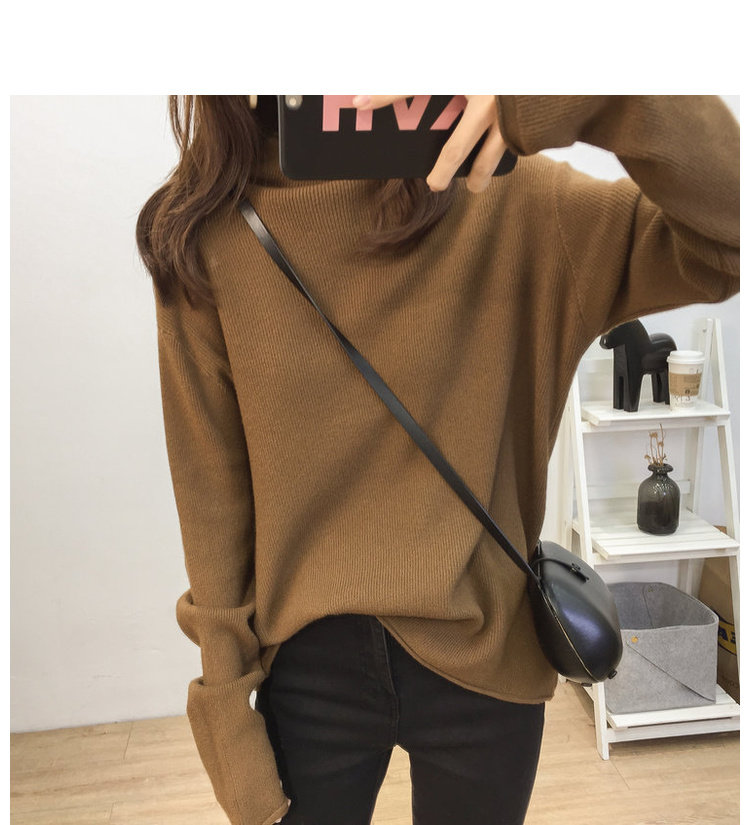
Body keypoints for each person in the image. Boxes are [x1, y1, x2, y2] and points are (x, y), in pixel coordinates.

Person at [136, 95, 739, 825]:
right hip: (304, 673)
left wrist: (578, 90)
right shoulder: (207, 232)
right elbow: (212, 498)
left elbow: (727, 238)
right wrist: (225, 705)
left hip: (487, 658)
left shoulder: (516, 203)